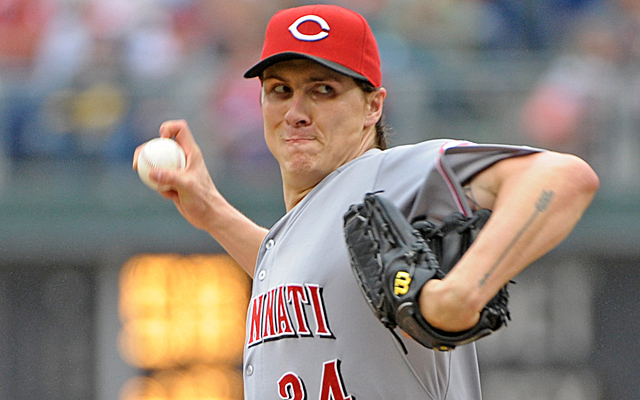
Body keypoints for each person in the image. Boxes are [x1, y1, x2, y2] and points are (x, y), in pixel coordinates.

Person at [133, 4, 599, 399]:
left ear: (373, 106)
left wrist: (462, 294)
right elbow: (313, 274)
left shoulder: (386, 176)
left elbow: (562, 176)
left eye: (323, 90)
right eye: (280, 91)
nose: (296, 112)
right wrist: (211, 210)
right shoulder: (303, 230)